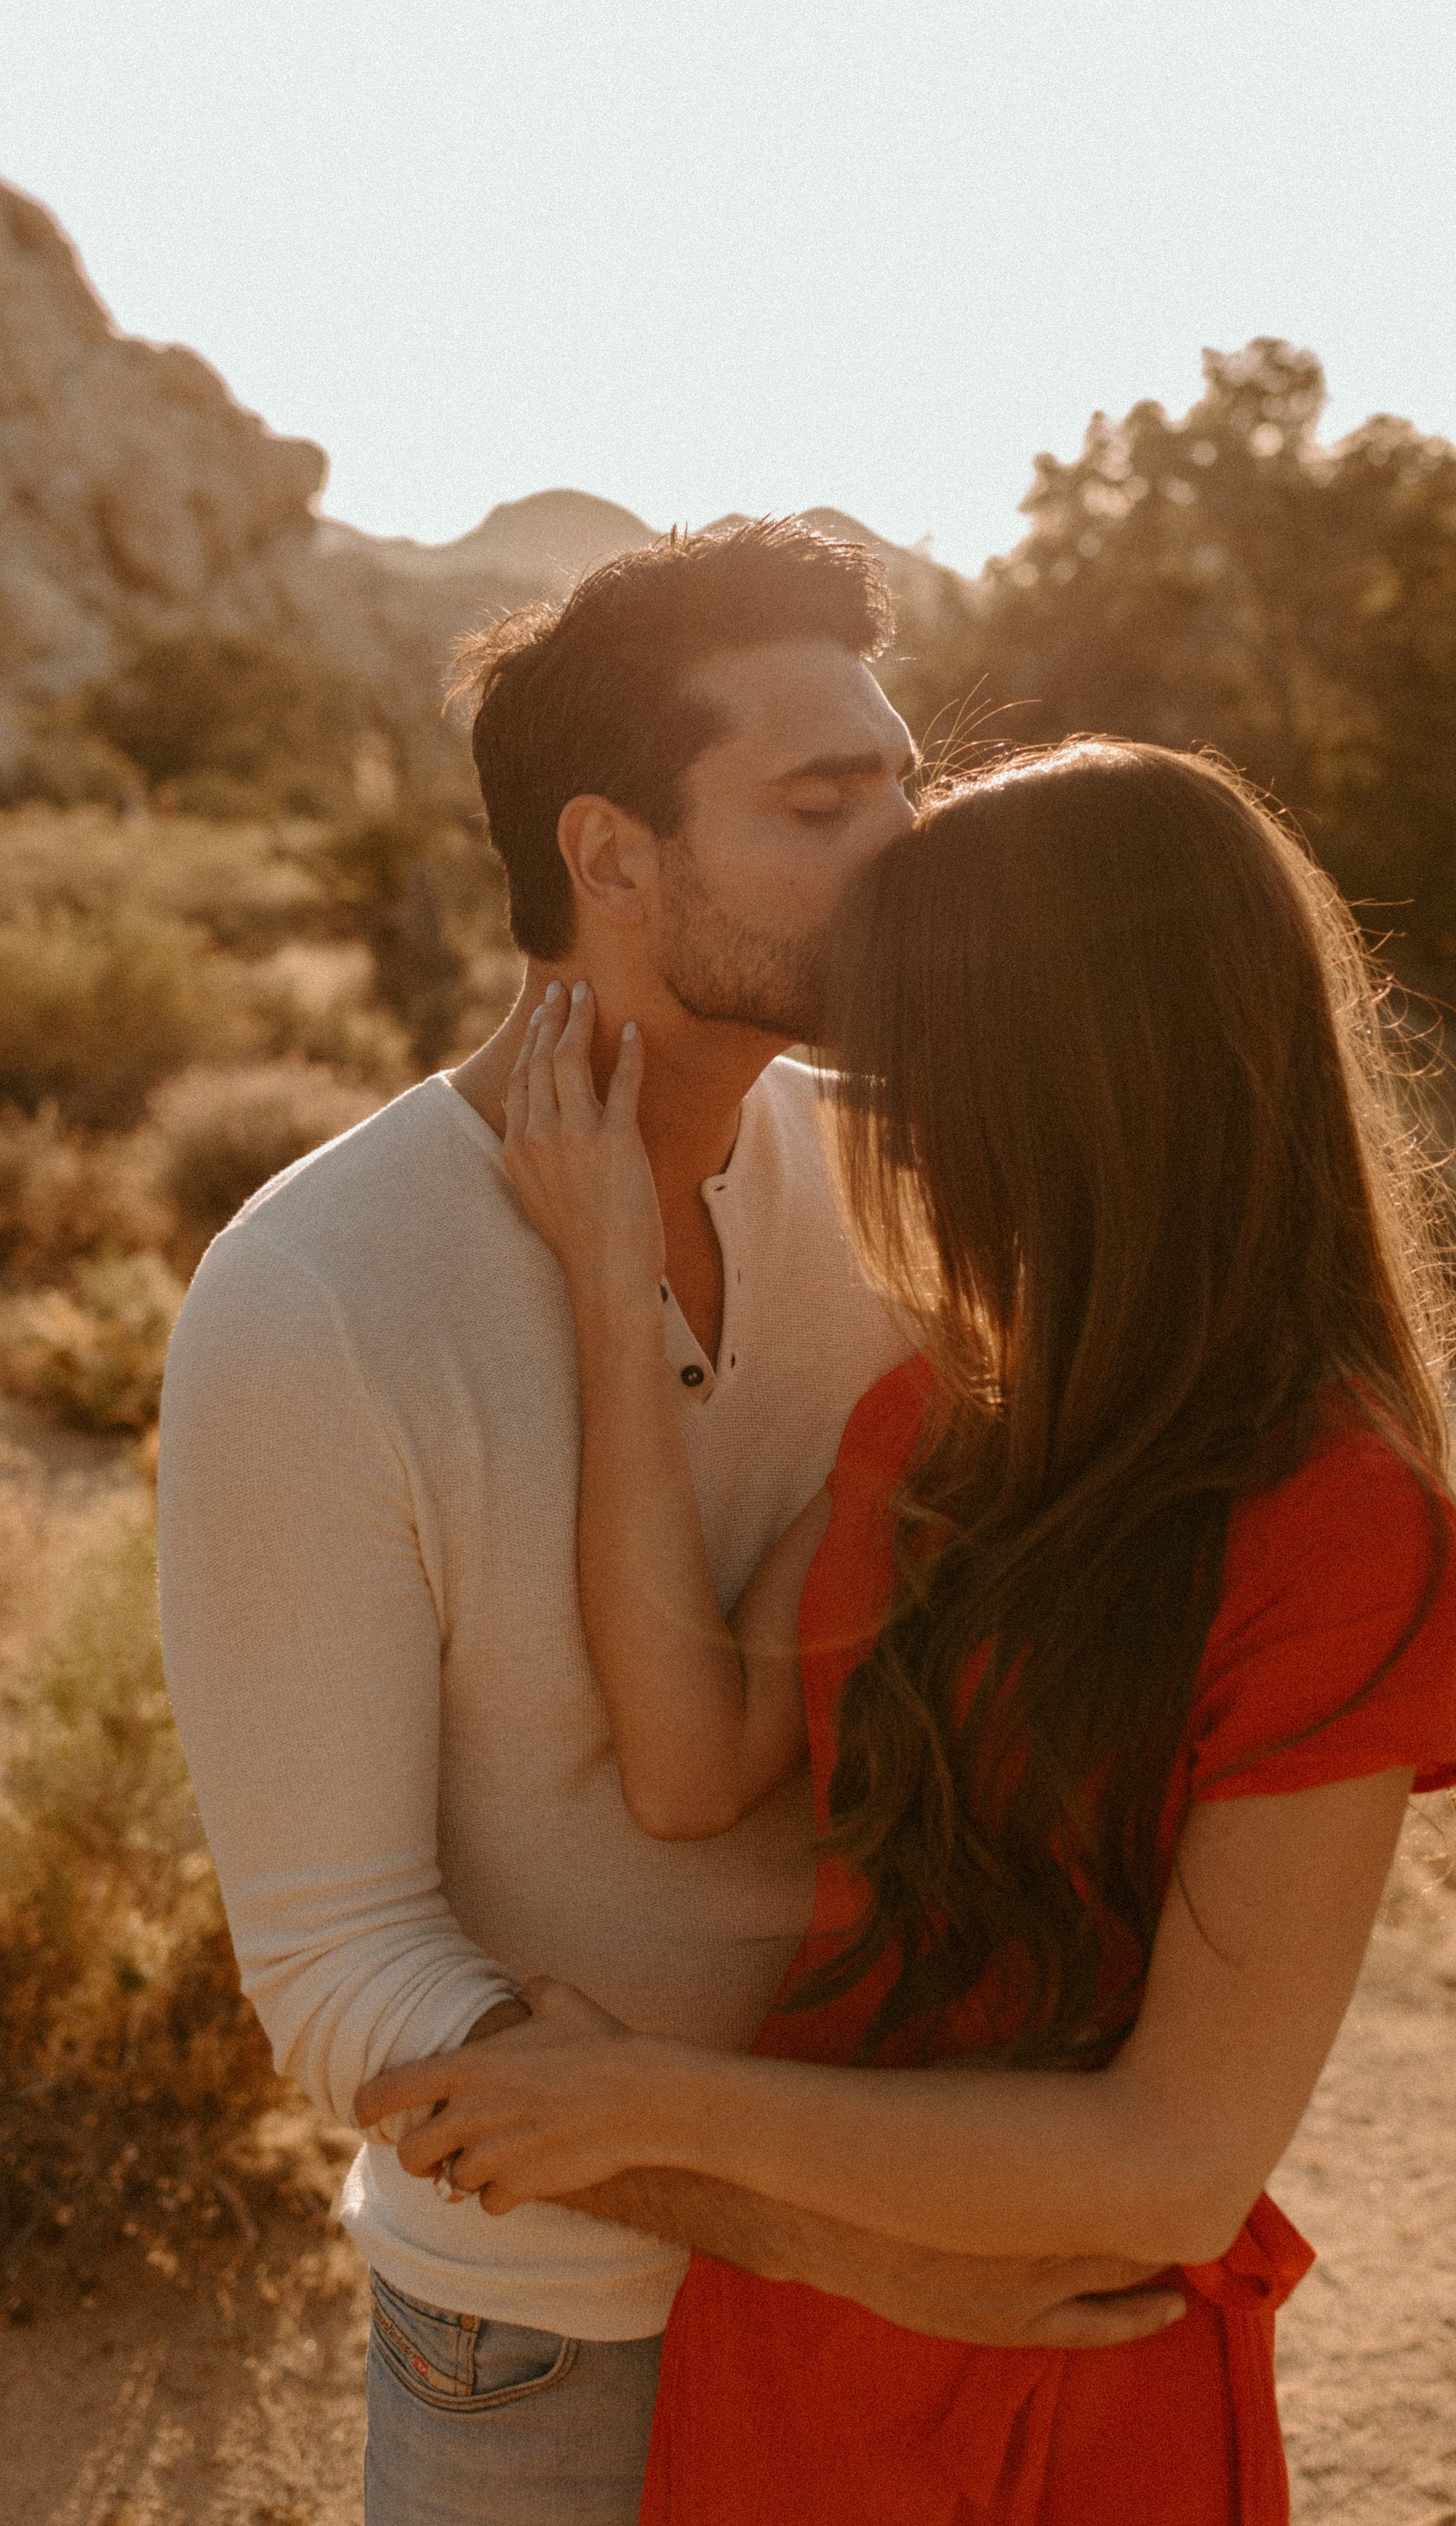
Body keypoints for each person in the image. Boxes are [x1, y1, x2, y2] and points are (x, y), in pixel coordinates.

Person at [158, 527, 1181, 2526]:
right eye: (824, 803)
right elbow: (341, 1970)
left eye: (909, 782)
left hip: (921, 2272)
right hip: (556, 2336)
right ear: (610, 856)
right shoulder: (317, 1294)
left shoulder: (911, 1185)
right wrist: (809, 2229)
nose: (907, 843)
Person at [355, 740, 1456, 2524]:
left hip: (1063, 2373)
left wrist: (645, 2102)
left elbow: (1171, 2164)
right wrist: (613, 1276)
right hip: (799, 2340)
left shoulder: (1342, 1529)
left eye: (920, 1057)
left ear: (1078, 1078)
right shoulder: (945, 1418)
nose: (884, 1114)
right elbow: (684, 1754)